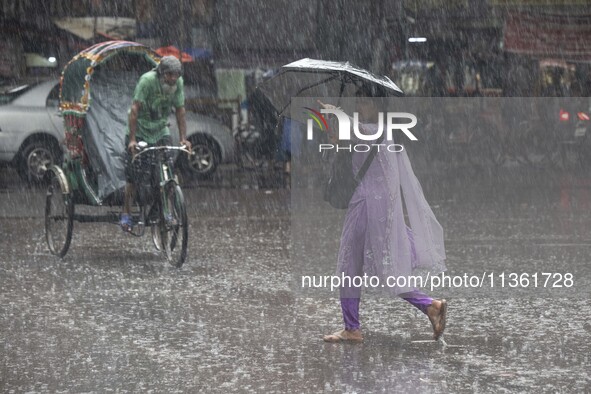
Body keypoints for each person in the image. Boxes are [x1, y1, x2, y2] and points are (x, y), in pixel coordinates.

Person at [320, 86, 448, 343]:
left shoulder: (370, 130)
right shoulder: (382, 132)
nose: (360, 106)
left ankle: (352, 328)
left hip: (366, 206)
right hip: (379, 209)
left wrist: (333, 113)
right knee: (386, 269)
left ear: (378, 107)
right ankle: (430, 306)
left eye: (365, 102)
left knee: (349, 266)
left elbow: (350, 131)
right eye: (358, 101)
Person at [120, 56, 192, 231]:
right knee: (134, 176)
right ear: (161, 73)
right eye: (169, 75)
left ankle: (165, 211)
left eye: (176, 75)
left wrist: (183, 138)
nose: (173, 79)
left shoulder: (178, 84)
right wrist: (132, 140)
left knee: (167, 171)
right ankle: (126, 213)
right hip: (141, 130)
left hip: (161, 129)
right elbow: (135, 109)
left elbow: (180, 111)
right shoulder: (147, 81)